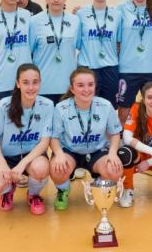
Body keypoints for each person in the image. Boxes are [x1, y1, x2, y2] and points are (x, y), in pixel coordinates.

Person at [49, 68, 124, 211]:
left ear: (95, 86)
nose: (86, 89)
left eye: (90, 84)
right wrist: (58, 154)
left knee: (115, 169)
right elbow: (54, 137)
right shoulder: (61, 108)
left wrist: (113, 152)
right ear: (72, 88)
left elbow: (115, 133)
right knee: (57, 168)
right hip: (70, 151)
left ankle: (98, 187)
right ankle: (63, 190)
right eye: (80, 85)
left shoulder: (105, 105)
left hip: (97, 151)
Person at [0, 64, 53, 215]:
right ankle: (8, 191)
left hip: (31, 157)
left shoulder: (47, 105)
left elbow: (44, 142)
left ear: (40, 83)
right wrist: (3, 166)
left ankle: (33, 195)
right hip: (7, 157)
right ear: (17, 83)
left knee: (41, 168)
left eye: (35, 82)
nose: (31, 87)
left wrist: (22, 164)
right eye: (25, 82)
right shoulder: (4, 105)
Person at [116, 0, 152, 124]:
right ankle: (121, 141)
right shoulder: (121, 9)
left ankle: (150, 139)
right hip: (128, 69)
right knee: (124, 108)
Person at [77, 0, 122, 107]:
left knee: (108, 108)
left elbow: (118, 43)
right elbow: (78, 43)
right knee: (86, 106)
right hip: (88, 68)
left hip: (110, 68)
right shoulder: (80, 14)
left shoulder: (117, 15)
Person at [29, 0, 80, 104]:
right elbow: (28, 54)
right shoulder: (34, 21)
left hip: (68, 87)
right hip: (43, 86)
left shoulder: (75, 21)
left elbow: (78, 49)